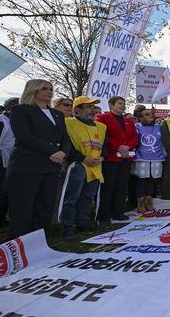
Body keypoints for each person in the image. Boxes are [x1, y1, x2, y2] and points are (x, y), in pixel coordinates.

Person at [7, 79, 70, 238]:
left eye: (51, 88)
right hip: (27, 166)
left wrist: (64, 152)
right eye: (44, 88)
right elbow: (25, 137)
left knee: (45, 207)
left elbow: (65, 138)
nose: (49, 91)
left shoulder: (57, 114)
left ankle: (40, 242)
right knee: (23, 208)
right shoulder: (21, 110)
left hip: (51, 166)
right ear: (33, 90)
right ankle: (20, 244)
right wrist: (53, 151)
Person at [60, 96, 106, 240]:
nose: (93, 110)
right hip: (77, 165)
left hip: (95, 166)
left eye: (93, 107)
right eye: (88, 107)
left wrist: (103, 156)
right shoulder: (68, 123)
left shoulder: (101, 126)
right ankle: (67, 227)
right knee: (71, 197)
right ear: (77, 110)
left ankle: (82, 223)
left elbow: (106, 145)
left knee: (87, 197)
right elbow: (66, 144)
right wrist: (82, 158)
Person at [96, 96, 138, 223]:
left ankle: (118, 212)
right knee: (108, 186)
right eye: (120, 103)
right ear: (111, 105)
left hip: (126, 158)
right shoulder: (102, 118)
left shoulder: (128, 121)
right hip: (111, 157)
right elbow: (104, 136)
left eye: (124, 103)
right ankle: (104, 214)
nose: (123, 106)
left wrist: (128, 147)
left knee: (121, 185)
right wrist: (118, 147)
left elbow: (134, 137)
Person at [0, 97, 18, 232]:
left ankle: (1, 220)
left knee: (9, 192)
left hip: (13, 160)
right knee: (0, 191)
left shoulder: (18, 121)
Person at [133, 108, 166, 213]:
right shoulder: (137, 127)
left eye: (151, 114)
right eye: (147, 114)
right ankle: (140, 203)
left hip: (156, 158)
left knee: (152, 180)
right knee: (142, 181)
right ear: (140, 118)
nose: (150, 115)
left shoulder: (159, 127)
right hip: (142, 158)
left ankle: (148, 201)